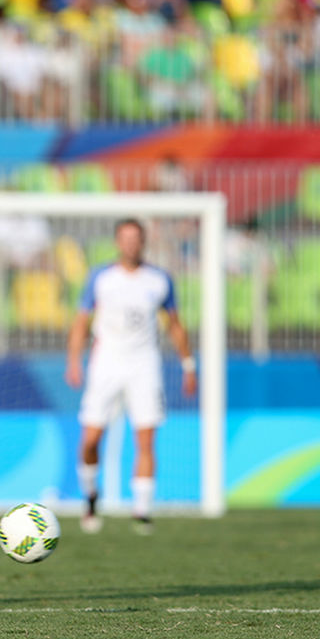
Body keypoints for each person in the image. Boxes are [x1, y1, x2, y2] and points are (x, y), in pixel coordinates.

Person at [65, 218, 197, 536]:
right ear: (116, 242)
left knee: (146, 438)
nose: (130, 244)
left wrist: (188, 364)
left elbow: (174, 325)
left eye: (135, 238)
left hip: (144, 364)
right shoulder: (101, 277)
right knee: (91, 439)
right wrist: (73, 359)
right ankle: (91, 498)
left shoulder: (159, 279)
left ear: (144, 242)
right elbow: (82, 321)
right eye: (124, 238)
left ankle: (142, 510)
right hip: (106, 362)